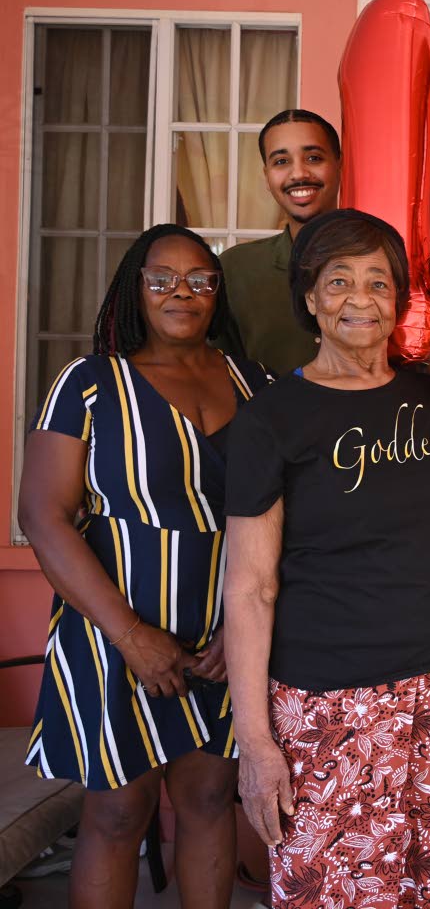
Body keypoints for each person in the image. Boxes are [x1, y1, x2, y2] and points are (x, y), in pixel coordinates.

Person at [222, 208, 430, 909]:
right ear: (310, 299)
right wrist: (256, 745)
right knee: (337, 892)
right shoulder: (272, 419)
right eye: (339, 281)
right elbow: (250, 587)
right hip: (330, 704)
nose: (360, 299)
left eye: (379, 283)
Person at [18, 225, 272, 908]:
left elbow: (285, 518)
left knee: (212, 797)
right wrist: (132, 636)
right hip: (111, 629)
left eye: (199, 279)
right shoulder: (90, 383)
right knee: (117, 814)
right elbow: (42, 515)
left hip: (224, 634)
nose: (180, 293)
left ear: (218, 294)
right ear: (136, 289)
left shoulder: (256, 384)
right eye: (161, 279)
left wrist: (241, 633)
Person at [216, 108, 341, 375]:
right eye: (281, 161)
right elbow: (215, 376)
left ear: (341, 164)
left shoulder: (384, 258)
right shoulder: (235, 269)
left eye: (314, 157)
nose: (298, 173)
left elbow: (428, 373)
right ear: (266, 176)